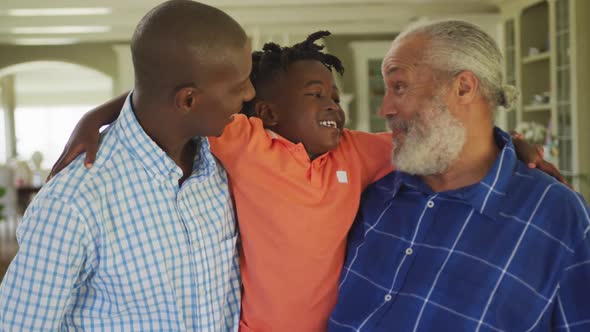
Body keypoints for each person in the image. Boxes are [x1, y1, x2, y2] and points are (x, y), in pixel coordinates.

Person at [46, 32, 559, 331]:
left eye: (335, 95)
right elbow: (187, 96)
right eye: (316, 95)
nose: (335, 105)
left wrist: (508, 142)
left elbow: (434, 137)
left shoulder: (356, 152)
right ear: (268, 111)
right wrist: (102, 112)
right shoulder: (247, 143)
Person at [0, 1, 254, 330]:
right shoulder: (71, 205)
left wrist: (98, 113)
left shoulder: (225, 159)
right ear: (188, 100)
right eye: (239, 87)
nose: (250, 93)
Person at [329, 20, 590, 331]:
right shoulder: (371, 190)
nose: (385, 108)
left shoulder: (558, 217)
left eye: (399, 86)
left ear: (463, 87)